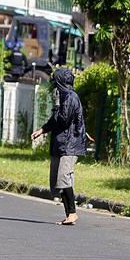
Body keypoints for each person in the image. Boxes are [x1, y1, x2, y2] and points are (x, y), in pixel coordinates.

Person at [30, 68, 86, 225]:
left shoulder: (70, 97)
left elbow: (62, 120)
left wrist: (56, 105)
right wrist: (42, 130)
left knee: (63, 178)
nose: (54, 85)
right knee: (58, 181)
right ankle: (69, 214)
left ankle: (73, 213)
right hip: (60, 143)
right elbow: (55, 121)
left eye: (56, 82)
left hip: (70, 145)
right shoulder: (63, 97)